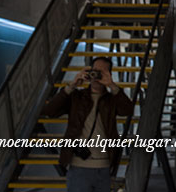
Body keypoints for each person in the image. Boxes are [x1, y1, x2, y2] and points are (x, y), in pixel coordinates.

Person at [42, 57, 133, 192]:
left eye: (102, 72)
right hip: (79, 165)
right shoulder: (77, 97)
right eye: (94, 71)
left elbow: (127, 110)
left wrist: (112, 85)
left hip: (104, 166)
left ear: (109, 74)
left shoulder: (112, 100)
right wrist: (72, 85)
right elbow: (50, 111)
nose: (97, 76)